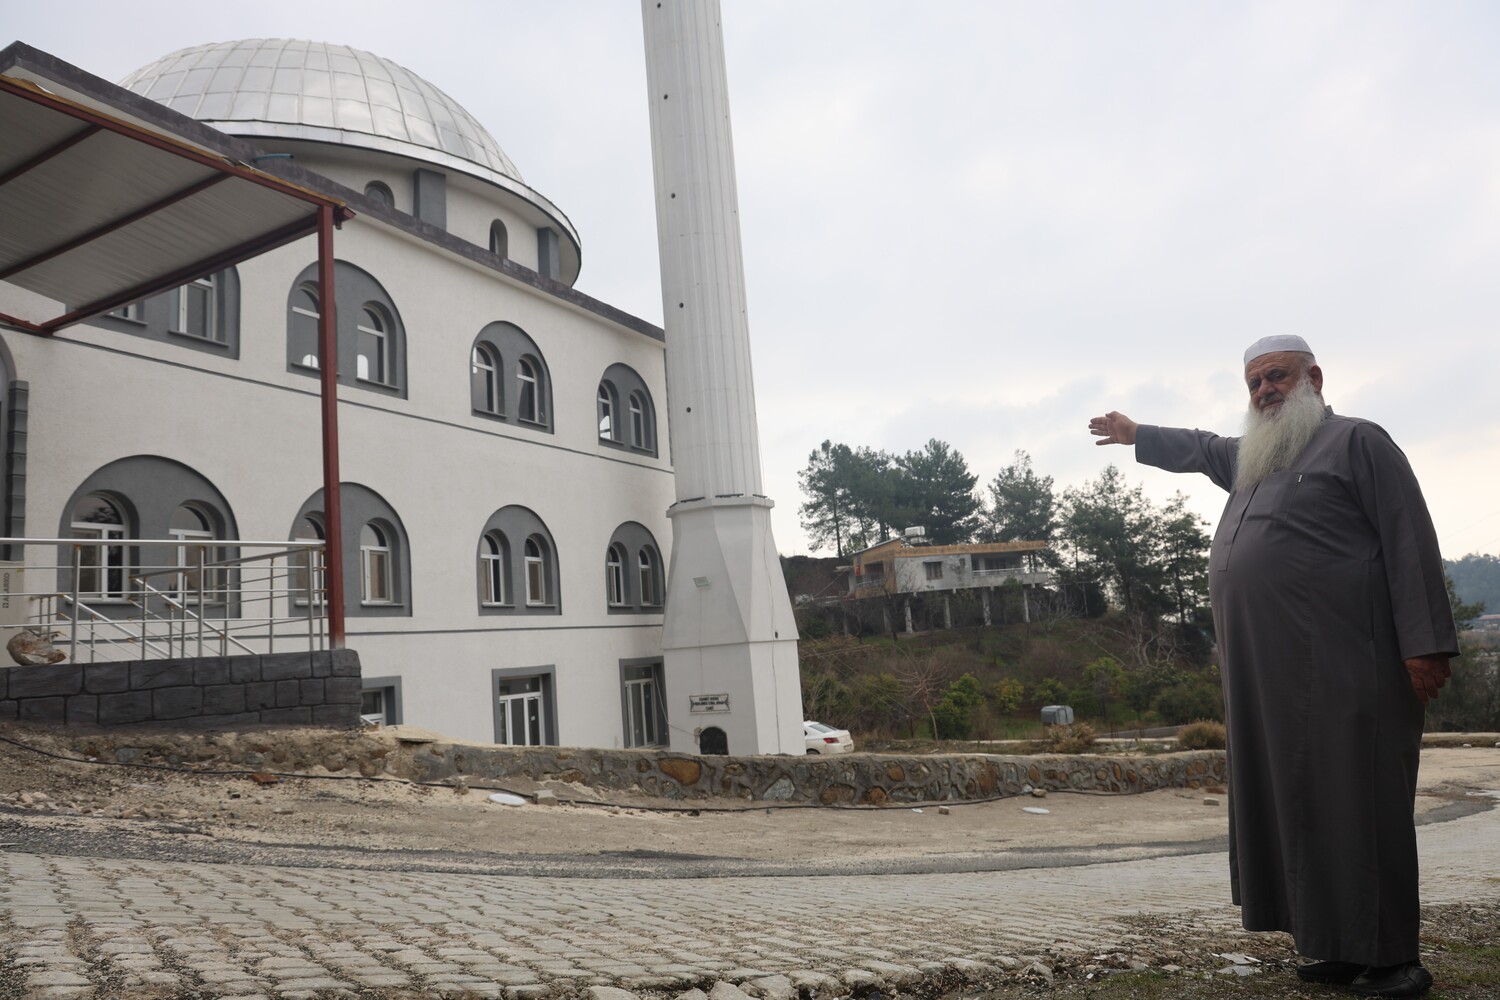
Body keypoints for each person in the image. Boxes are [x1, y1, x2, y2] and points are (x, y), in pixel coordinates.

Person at [1088, 335, 1456, 999]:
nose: (1265, 392)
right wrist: (1137, 433)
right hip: (1274, 683)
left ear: (1313, 377)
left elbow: (1408, 538)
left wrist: (1425, 644)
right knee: (1304, 811)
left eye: (1277, 377)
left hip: (1354, 670)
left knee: (1364, 805)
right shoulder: (1257, 461)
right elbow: (1201, 448)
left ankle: (1395, 958)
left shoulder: (1356, 442)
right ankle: (1337, 946)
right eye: (1255, 383)